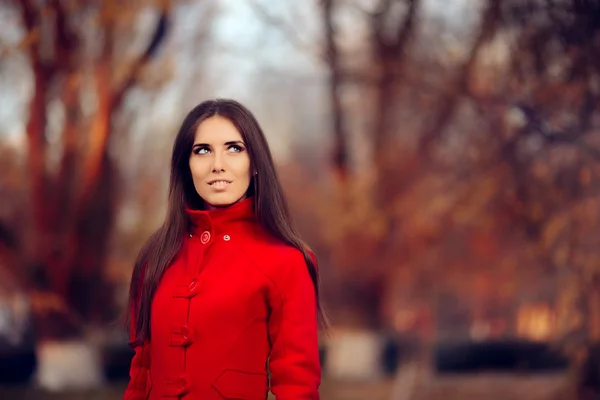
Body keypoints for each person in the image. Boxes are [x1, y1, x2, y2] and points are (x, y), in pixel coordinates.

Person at [123, 99, 323, 400]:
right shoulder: (155, 257)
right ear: (185, 165)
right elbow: (140, 374)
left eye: (234, 148)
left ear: (254, 162)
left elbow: (297, 386)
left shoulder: (287, 261)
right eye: (202, 150)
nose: (218, 164)